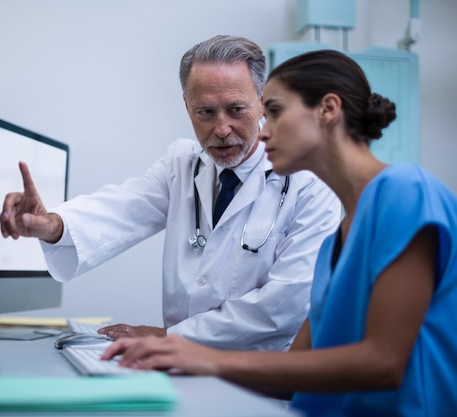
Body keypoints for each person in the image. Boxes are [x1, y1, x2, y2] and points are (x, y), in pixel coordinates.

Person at [101, 49, 457, 417]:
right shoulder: (337, 242)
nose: (263, 129)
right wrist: (173, 361)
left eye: (273, 112)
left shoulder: (405, 192)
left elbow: (382, 362)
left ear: (328, 109)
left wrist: (203, 355)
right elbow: (293, 375)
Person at [0, 35, 341, 351]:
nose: (221, 130)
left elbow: (287, 304)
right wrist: (53, 225)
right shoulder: (183, 163)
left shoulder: (309, 181)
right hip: (180, 367)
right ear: (186, 105)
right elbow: (123, 208)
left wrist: (169, 337)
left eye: (236, 110)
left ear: (262, 100)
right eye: (205, 112)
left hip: (261, 382)